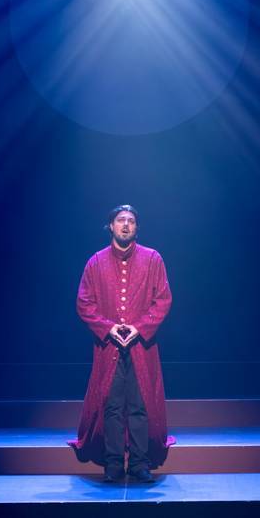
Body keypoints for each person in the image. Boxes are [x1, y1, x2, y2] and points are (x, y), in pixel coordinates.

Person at [68, 204, 175, 482]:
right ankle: (113, 463)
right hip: (109, 347)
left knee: (140, 404)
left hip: (142, 347)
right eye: (120, 220)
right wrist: (109, 328)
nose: (126, 225)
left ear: (137, 228)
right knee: (112, 405)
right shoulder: (96, 262)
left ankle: (139, 463)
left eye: (131, 221)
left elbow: (163, 300)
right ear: (111, 226)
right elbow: (84, 303)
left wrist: (140, 328)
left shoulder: (152, 259)